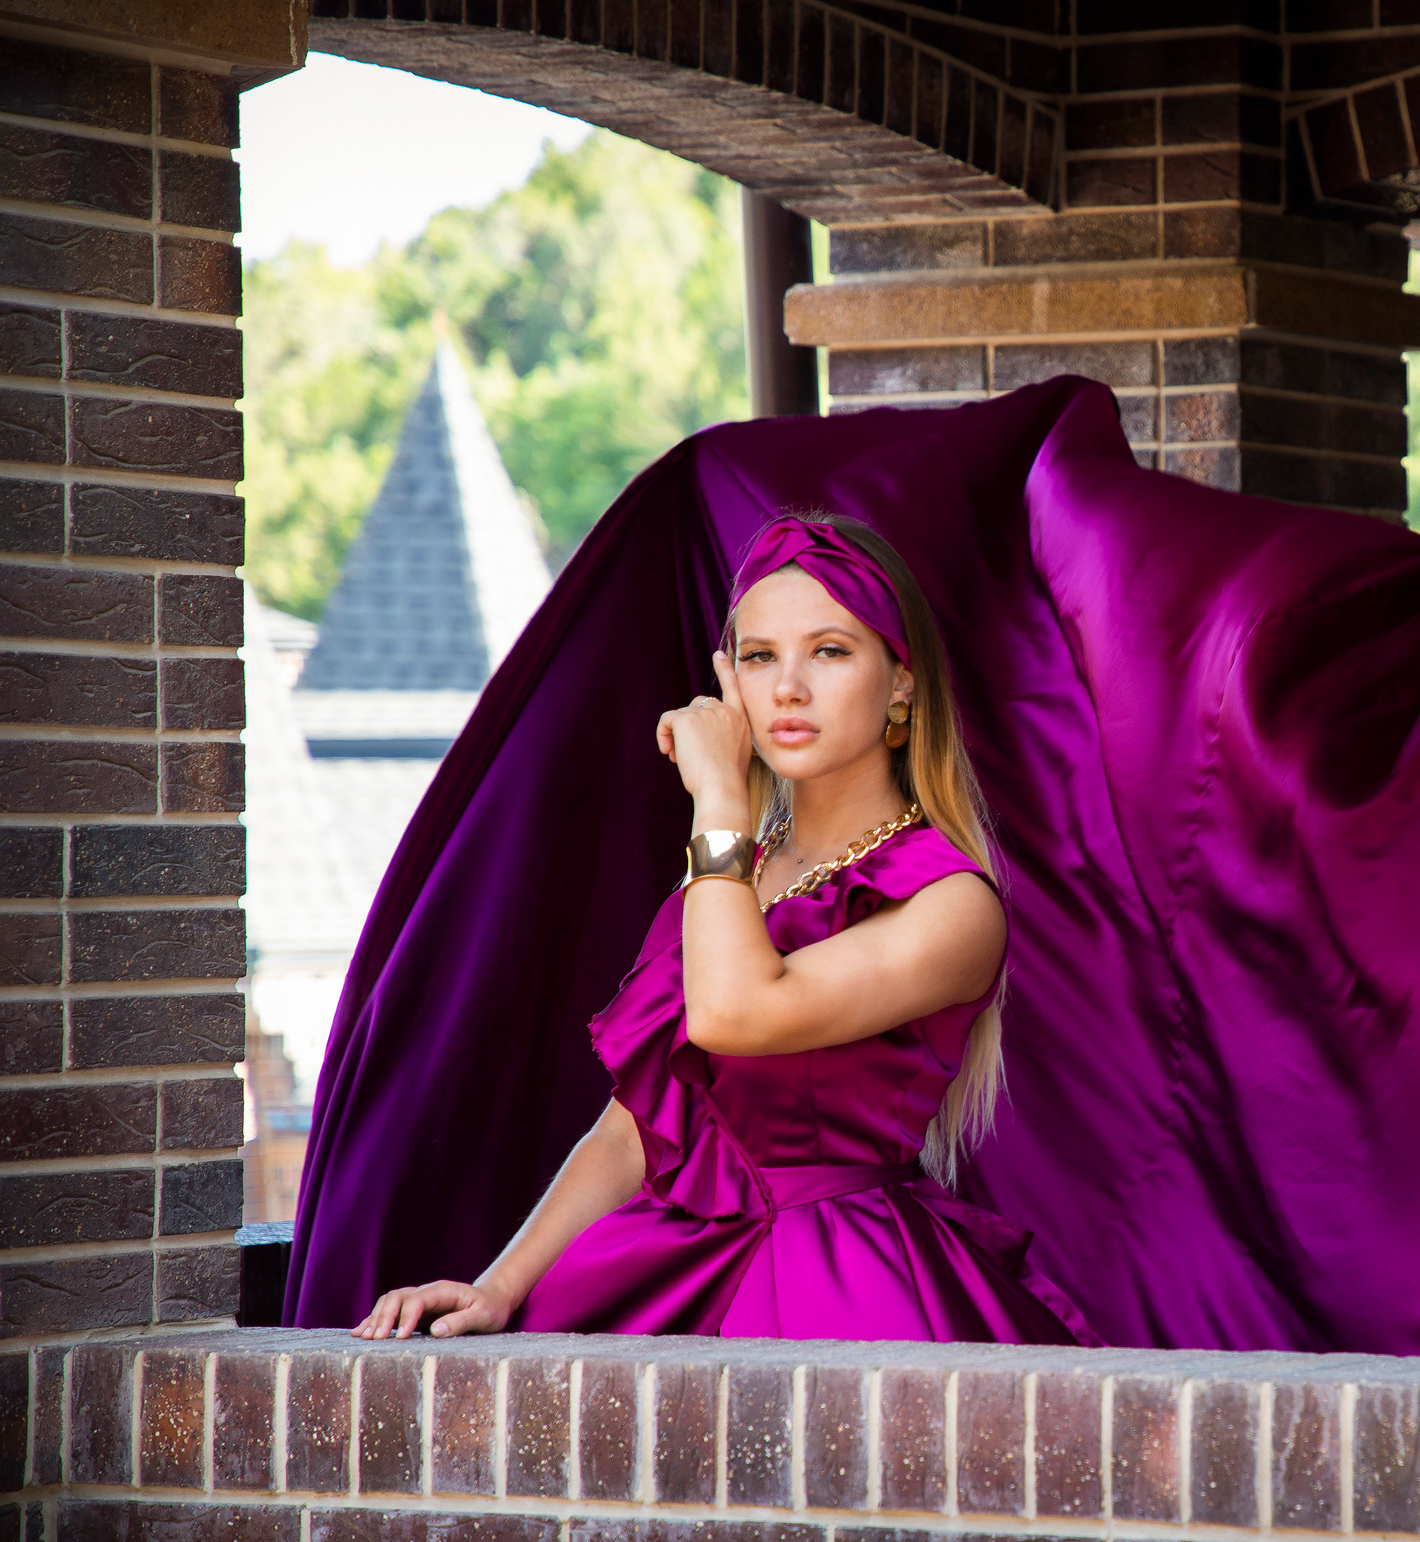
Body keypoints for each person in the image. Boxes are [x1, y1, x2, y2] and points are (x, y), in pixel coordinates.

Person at [351, 514, 1096, 1344]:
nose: (788, 689)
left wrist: (719, 800)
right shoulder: (734, 868)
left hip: (843, 1283)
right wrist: (496, 1285)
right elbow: (632, 1126)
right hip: (671, 1261)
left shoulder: (952, 901)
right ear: (727, 678)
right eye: (760, 656)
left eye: (832, 650)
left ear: (901, 681)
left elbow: (734, 1015)